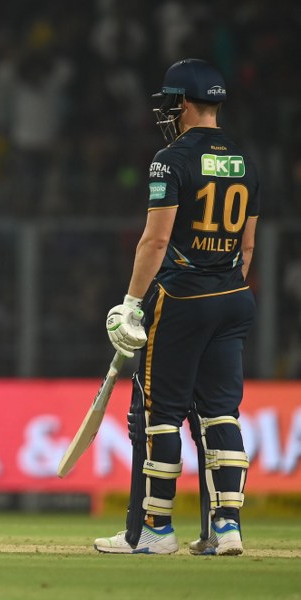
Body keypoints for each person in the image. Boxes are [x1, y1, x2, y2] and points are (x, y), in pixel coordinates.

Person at [94, 59, 259, 555]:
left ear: (184, 103)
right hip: (233, 296)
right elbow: (248, 247)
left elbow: (156, 240)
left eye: (170, 103)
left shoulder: (170, 159)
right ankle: (226, 527)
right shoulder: (247, 159)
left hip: (182, 298)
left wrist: (131, 303)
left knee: (161, 413)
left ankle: (156, 529)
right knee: (221, 413)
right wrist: (221, 285)